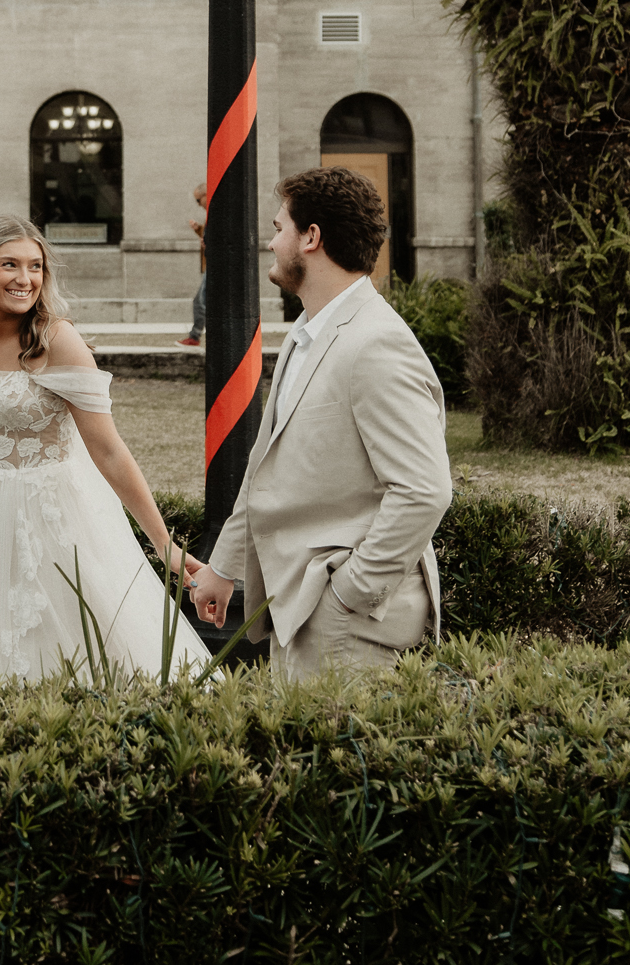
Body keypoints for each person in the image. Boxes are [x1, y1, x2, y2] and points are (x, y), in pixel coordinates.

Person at [190, 168, 452, 680]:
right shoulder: (307, 331)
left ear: (311, 238)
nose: (270, 242)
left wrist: (350, 592)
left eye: (279, 227)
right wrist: (224, 568)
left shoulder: (376, 344)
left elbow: (424, 490)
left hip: (348, 621)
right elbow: (266, 465)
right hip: (300, 609)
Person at [0, 215, 210, 679]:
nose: (25, 279)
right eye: (10, 265)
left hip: (57, 514)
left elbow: (109, 452)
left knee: (81, 646)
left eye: (35, 266)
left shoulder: (57, 339)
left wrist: (165, 546)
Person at [179, 182, 207, 347]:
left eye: (198, 200)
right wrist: (199, 230)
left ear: (205, 195)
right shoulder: (211, 212)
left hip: (214, 264)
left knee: (200, 301)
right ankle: (195, 336)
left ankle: (195, 336)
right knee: (201, 300)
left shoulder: (215, 210)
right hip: (211, 263)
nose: (198, 204)